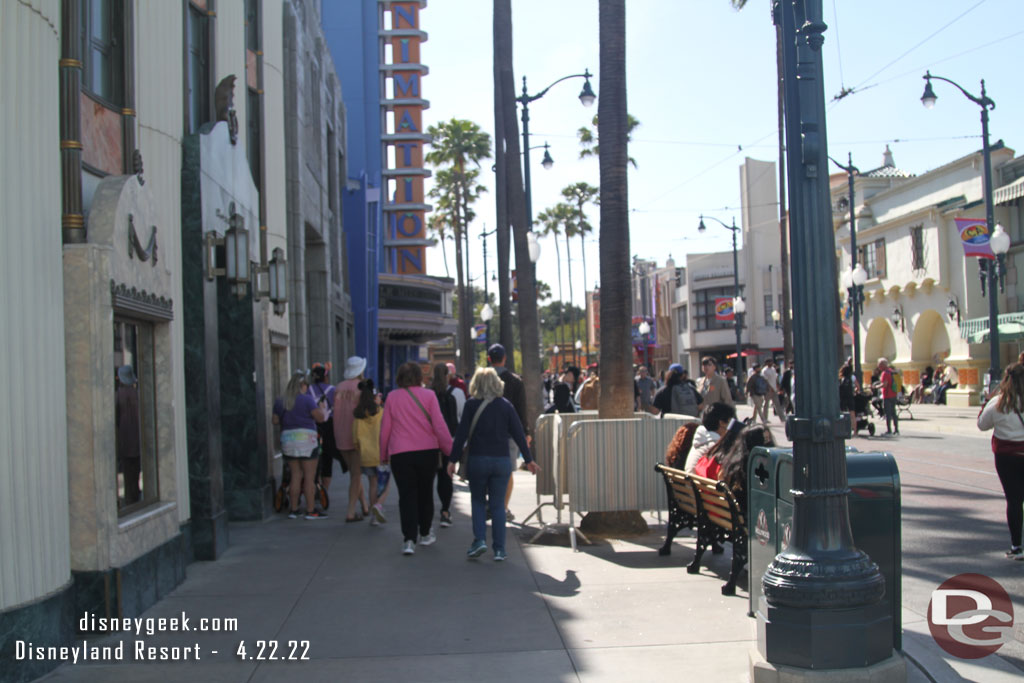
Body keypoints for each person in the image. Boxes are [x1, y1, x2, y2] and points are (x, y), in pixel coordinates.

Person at [446, 368, 539, 560]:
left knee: (478, 501)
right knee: (498, 505)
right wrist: (529, 459)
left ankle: (479, 540)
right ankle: (499, 549)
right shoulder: (505, 405)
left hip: (478, 460)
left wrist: (452, 460)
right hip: (501, 461)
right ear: (497, 383)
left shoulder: (472, 405)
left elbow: (461, 434)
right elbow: (519, 434)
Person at [380, 362, 454, 555]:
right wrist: (449, 450)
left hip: (400, 453)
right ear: (419, 376)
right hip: (427, 451)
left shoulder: (392, 398)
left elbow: (385, 429)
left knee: (406, 495)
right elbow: (439, 425)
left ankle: (409, 539)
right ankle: (426, 532)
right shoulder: (429, 396)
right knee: (425, 493)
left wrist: (383, 453)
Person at [977, 362, 1024, 560]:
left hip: (1006, 457)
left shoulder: (998, 403)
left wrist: (984, 404)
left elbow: (982, 425)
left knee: (1014, 501)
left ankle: (1017, 546)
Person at [273, 371, 328, 519]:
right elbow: (320, 418)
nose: (307, 388)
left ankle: (294, 509)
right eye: (306, 385)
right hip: (306, 440)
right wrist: (321, 408)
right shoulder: (307, 400)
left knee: (295, 475)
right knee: (309, 477)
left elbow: (275, 421)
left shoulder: (280, 401)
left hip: (288, 440)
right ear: (302, 385)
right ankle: (310, 511)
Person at [487, 344, 530, 520]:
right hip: (510, 434)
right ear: (505, 358)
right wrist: (525, 432)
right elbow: (521, 410)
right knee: (507, 471)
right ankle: (503, 508)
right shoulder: (515, 381)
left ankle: (493, 504)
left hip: (487, 433)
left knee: (489, 471)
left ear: (489, 359)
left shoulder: (482, 379)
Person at [333, 356, 367, 521]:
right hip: (356, 435)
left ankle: (364, 506)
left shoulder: (339, 387)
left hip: (340, 434)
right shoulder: (362, 388)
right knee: (356, 474)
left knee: (354, 473)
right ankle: (351, 512)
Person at [720, 424, 777, 516]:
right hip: (753, 517)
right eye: (765, 441)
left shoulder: (734, 465)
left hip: (739, 515)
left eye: (769, 440)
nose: (770, 445)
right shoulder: (753, 468)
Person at [352, 379, 385, 525]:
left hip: (366, 455)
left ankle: (373, 513)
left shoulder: (358, 415)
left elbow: (355, 438)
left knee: (372, 483)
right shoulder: (381, 412)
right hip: (380, 453)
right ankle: (378, 506)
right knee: (384, 483)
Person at [431, 363, 459, 528]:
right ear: (447, 375)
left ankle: (426, 512)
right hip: (446, 441)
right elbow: (454, 423)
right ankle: (445, 511)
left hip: (429, 444)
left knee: (428, 479)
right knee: (445, 478)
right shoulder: (452, 396)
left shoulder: (428, 394)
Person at [684, 402, 737, 472]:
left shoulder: (701, 440)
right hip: (703, 482)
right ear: (721, 423)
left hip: (693, 481)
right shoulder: (716, 446)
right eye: (730, 422)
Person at [115, 365, 142, 505]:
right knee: (136, 470)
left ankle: (130, 498)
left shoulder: (118, 394)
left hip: (124, 439)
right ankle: (135, 493)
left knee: (127, 471)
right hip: (137, 438)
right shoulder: (137, 393)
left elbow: (116, 418)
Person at [874, 358, 899, 435]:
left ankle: (889, 430)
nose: (878, 367)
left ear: (882, 365)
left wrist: (876, 387)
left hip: (887, 395)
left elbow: (885, 384)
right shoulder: (891, 371)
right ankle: (896, 429)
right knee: (893, 413)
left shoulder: (885, 373)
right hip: (894, 394)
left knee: (888, 413)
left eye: (879, 365)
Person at [762, 358, 785, 423]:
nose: (771, 363)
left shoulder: (773, 369)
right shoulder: (764, 370)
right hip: (767, 390)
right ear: (766, 363)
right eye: (769, 362)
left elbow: (775, 379)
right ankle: (765, 419)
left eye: (771, 362)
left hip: (774, 389)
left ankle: (782, 418)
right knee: (766, 404)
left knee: (777, 404)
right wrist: (770, 388)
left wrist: (778, 387)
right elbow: (765, 380)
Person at [839, 364, 857, 436]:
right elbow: (857, 386)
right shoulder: (852, 377)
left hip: (843, 398)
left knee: (842, 414)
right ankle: (855, 432)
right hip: (850, 397)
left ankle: (842, 430)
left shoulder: (841, 378)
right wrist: (855, 391)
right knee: (852, 415)